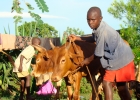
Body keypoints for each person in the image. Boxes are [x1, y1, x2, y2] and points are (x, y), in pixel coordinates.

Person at [68, 6, 135, 100]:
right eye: (88, 20)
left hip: (121, 59)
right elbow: (93, 38)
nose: (90, 22)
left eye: (93, 20)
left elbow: (98, 53)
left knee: (107, 83)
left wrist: (87, 60)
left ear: (100, 18)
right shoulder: (99, 27)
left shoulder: (103, 31)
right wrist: (78, 38)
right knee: (121, 87)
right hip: (119, 58)